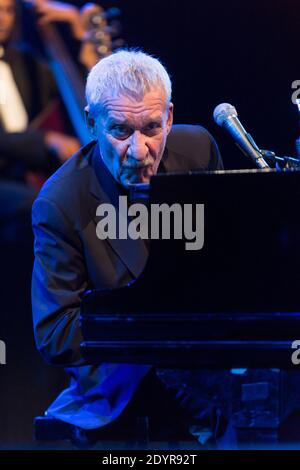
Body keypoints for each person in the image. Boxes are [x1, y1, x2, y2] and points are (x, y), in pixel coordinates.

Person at [32, 49, 234, 447]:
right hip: (124, 389)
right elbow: (55, 334)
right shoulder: (60, 202)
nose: (139, 151)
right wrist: (156, 327)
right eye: (121, 131)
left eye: (152, 129)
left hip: (214, 372)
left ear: (170, 117)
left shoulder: (198, 149)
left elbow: (227, 257)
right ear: (92, 123)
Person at [0, 0, 80, 240]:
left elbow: (76, 92)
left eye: (8, 10)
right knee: (41, 205)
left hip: (24, 173)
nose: (2, 18)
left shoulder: (24, 61)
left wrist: (78, 32)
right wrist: (45, 139)